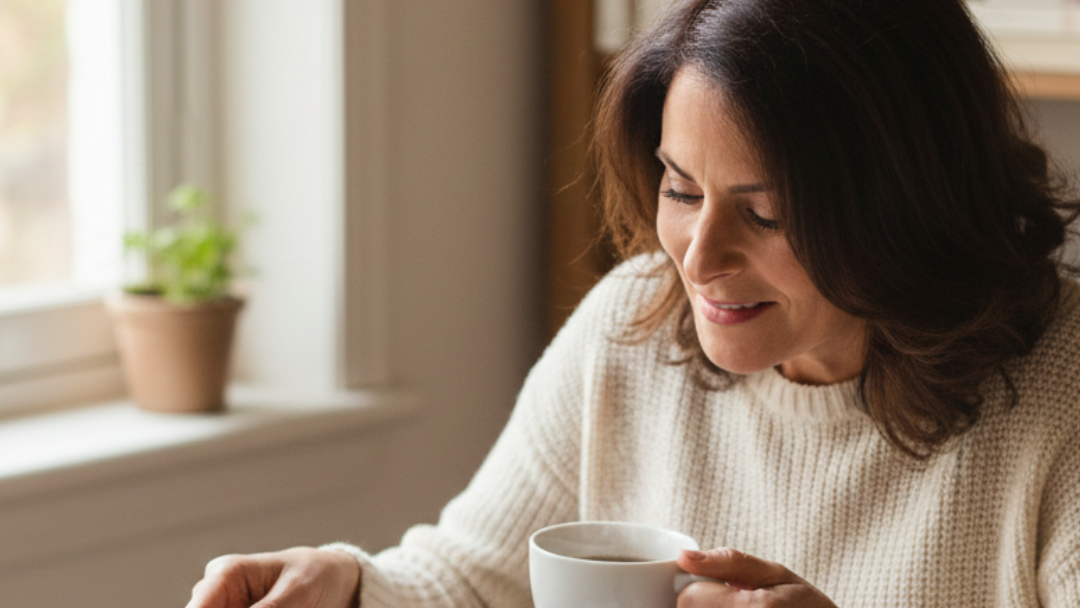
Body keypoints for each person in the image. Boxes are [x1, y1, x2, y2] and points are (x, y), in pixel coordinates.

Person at [186, 0, 1080, 606]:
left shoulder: (1061, 386)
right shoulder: (632, 324)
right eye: (682, 190)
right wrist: (345, 584)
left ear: (904, 203)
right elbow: (473, 578)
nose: (698, 257)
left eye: (765, 214)